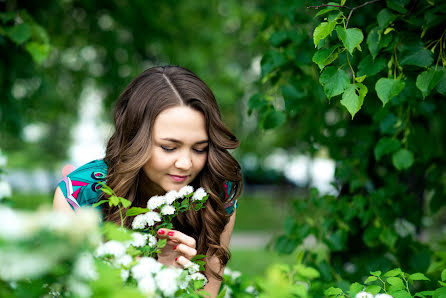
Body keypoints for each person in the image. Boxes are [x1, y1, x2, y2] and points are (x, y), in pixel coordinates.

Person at [53, 65, 242, 297]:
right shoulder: (81, 194)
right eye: (169, 147)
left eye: (200, 148)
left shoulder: (216, 191)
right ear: (135, 141)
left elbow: (207, 294)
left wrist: (175, 284)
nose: (186, 163)